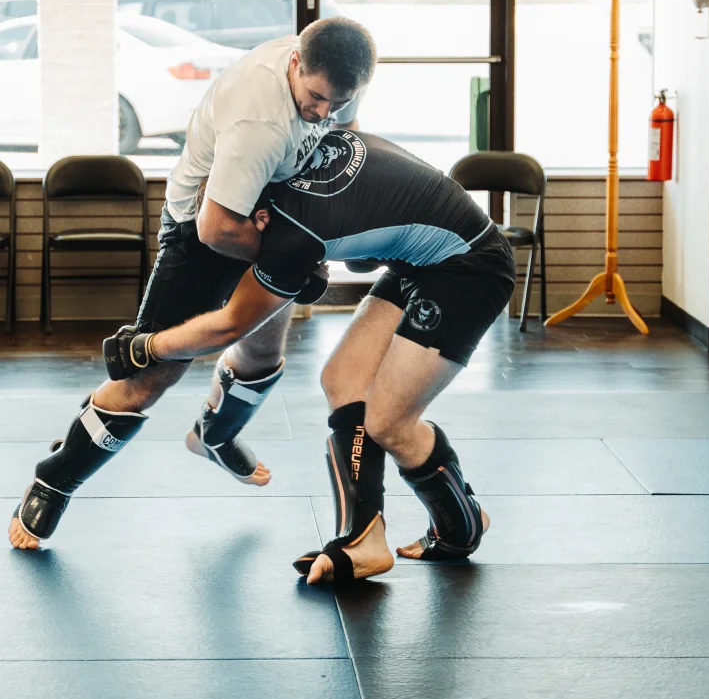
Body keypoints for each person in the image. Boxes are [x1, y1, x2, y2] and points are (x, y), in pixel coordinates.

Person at [8, 17, 376, 552]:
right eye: (316, 98)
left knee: (262, 353)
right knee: (150, 377)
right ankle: (55, 479)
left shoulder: (333, 75)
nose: (323, 112)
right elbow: (216, 228)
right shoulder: (260, 121)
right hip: (204, 227)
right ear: (295, 63)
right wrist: (293, 265)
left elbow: (345, 133)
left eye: (336, 102)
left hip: (272, 214)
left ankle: (214, 434)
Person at [99, 129, 516, 584]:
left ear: (259, 217)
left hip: (470, 267)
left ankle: (460, 526)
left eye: (232, 243)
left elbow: (231, 326)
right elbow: (387, 188)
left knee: (388, 424)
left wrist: (145, 347)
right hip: (418, 260)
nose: (236, 258)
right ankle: (364, 539)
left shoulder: (290, 232)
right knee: (342, 380)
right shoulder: (304, 150)